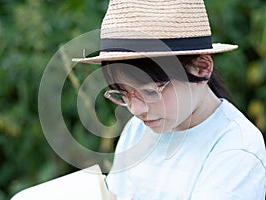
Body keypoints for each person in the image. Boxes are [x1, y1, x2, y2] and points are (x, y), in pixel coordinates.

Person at [74, 0, 266, 199]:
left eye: (150, 92)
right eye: (123, 93)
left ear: (201, 68)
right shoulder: (137, 130)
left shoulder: (235, 148)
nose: (136, 110)